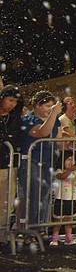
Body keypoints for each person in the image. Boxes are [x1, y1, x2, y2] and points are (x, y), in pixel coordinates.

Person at [19, 90, 63, 235]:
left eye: (51, 106)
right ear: (37, 105)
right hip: (31, 160)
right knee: (33, 194)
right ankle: (29, 230)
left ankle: (41, 229)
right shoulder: (28, 119)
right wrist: (53, 114)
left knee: (44, 194)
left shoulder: (54, 119)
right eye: (46, 106)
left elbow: (58, 140)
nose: (49, 109)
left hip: (48, 160)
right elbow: (42, 133)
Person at [0, 85, 24, 245]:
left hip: (9, 165)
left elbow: (17, 140)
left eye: (15, 101)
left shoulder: (15, 118)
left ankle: (2, 235)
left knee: (6, 203)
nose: (12, 104)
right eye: (10, 100)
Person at [50, 151, 76, 246]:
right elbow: (61, 177)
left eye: (72, 160)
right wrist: (69, 170)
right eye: (68, 159)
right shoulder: (59, 171)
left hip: (71, 198)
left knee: (69, 219)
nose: (71, 162)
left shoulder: (75, 172)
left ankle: (68, 236)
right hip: (60, 198)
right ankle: (55, 237)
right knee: (58, 219)